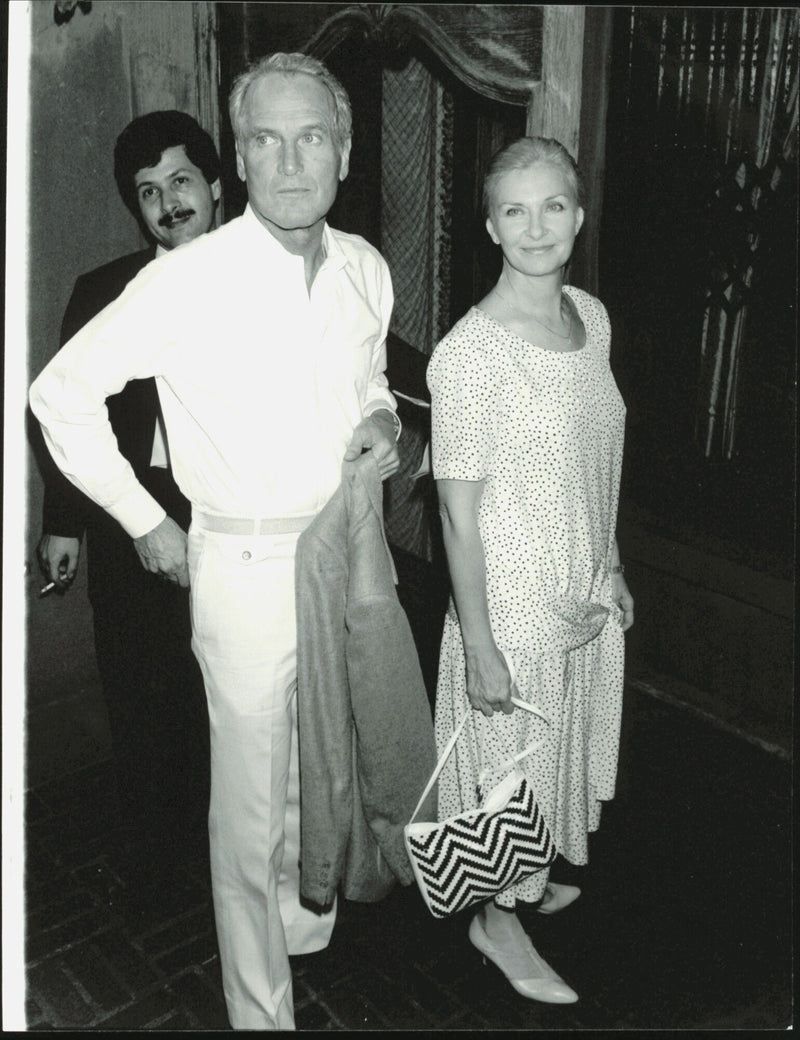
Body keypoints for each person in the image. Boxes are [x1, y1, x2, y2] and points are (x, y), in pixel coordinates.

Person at [30, 53, 402, 1031]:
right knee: (243, 810)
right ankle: (259, 1008)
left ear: (345, 151)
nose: (290, 160)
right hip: (237, 566)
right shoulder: (190, 279)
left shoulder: (365, 267)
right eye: (267, 140)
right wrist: (146, 518)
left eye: (311, 137)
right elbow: (58, 396)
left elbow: (364, 377)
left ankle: (301, 928)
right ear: (239, 157)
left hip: (342, 559)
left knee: (309, 770)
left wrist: (381, 418)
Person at [426, 137, 634, 1005]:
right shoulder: (469, 356)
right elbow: (453, 516)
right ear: (489, 226)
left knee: (549, 758)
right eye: (515, 209)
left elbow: (599, 455)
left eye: (554, 205)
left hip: (576, 588)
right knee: (509, 764)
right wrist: (478, 645)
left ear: (578, 217)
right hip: (509, 601)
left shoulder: (591, 317)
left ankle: (527, 868)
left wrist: (612, 563)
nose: (536, 225)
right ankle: (496, 920)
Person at [34, 110, 221, 905]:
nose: (168, 203)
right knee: (141, 688)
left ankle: (228, 846)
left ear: (217, 186)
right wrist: (62, 523)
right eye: (149, 191)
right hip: (130, 512)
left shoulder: (262, 281)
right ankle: (155, 852)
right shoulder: (103, 290)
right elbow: (58, 412)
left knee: (223, 688)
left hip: (229, 510)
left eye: (181, 181)